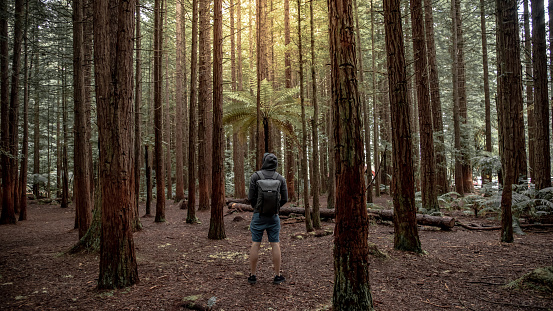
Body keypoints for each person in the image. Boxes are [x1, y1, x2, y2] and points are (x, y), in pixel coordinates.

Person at [247, 152, 288, 285]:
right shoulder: (280, 178)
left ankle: (253, 276)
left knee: (255, 243)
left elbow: (250, 198)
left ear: (264, 161)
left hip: (258, 215)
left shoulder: (255, 176)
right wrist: (276, 208)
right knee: (275, 243)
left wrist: (257, 208)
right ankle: (277, 275)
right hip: (274, 217)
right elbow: (285, 199)